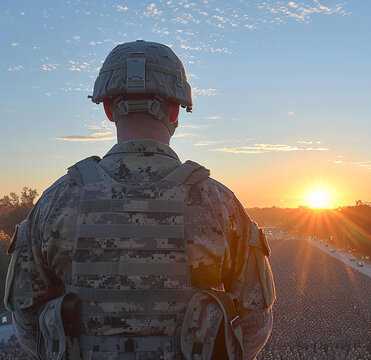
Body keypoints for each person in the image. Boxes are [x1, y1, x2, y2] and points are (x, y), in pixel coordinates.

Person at [4, 40, 275, 360]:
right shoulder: (219, 204)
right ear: (176, 109)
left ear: (107, 108)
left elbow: (26, 320)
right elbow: (255, 321)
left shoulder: (55, 202)